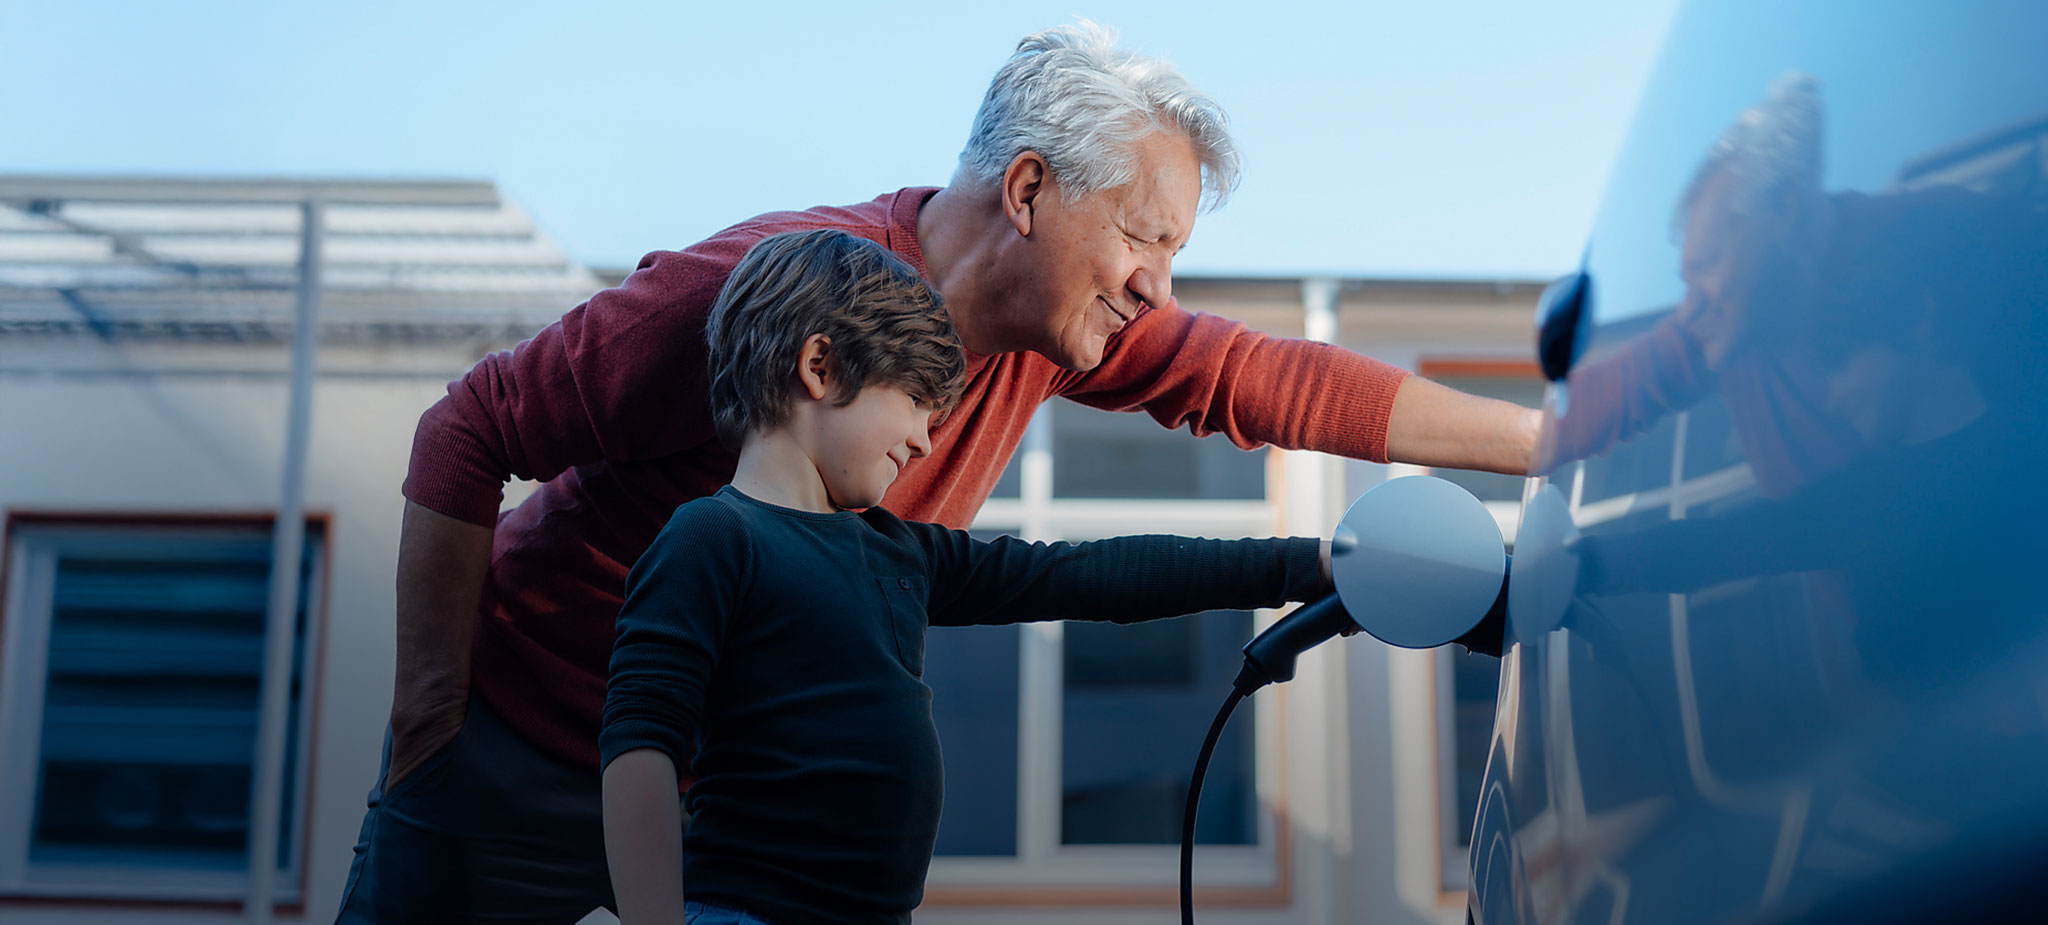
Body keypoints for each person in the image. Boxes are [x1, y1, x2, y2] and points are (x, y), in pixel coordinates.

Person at [337, 21, 1538, 924]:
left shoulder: (1057, 336)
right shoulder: (765, 290)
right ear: (1027, 191)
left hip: (743, 829)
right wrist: (429, 726)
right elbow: (468, 430)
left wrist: (1552, 447)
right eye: (1142, 235)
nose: (1157, 285)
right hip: (519, 756)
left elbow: (1267, 391)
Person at [600, 229, 1333, 925]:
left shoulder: (900, 552)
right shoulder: (713, 538)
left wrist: (1315, 565)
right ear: (820, 367)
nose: (923, 440)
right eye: (914, 403)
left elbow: (1090, 575)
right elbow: (641, 744)